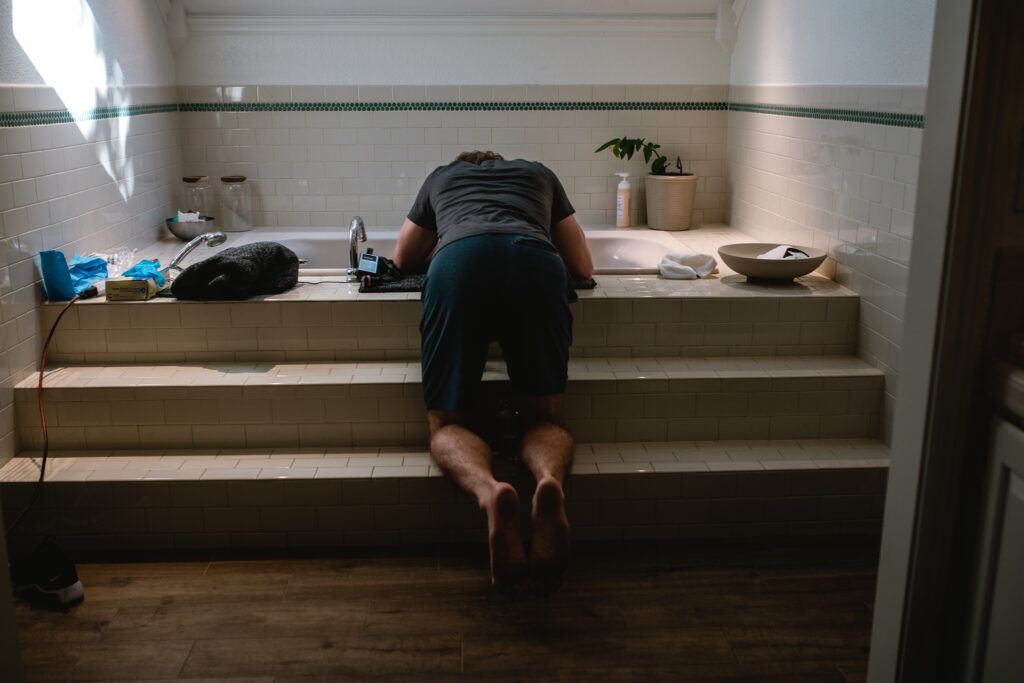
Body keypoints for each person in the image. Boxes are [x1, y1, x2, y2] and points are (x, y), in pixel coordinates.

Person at [392, 151, 593, 597]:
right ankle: (546, 483)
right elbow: (582, 266)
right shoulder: (540, 173)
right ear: (501, 163)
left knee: (446, 423)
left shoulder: (441, 176)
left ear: (467, 165)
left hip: (459, 261)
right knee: (543, 418)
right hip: (535, 261)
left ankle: (489, 493)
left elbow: (402, 258)